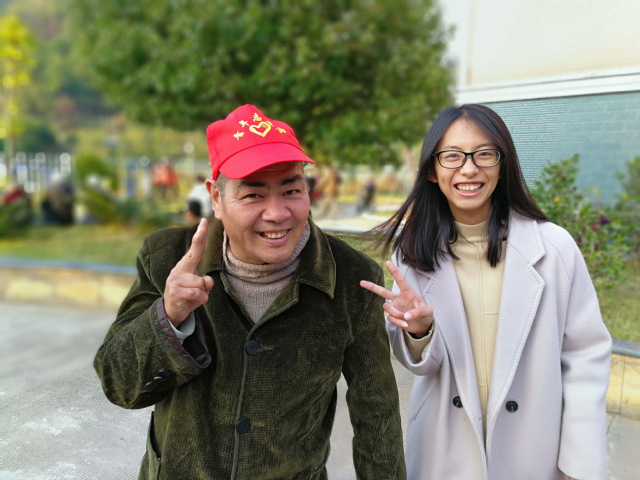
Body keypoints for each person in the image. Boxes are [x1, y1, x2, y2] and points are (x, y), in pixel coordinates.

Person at [94, 104, 406, 479]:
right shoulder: (166, 258)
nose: (277, 213)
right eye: (253, 195)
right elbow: (120, 386)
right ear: (215, 197)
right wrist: (168, 316)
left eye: (291, 190)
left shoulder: (353, 278)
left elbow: (377, 413)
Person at [360, 104, 611, 480]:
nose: (469, 168)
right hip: (444, 451)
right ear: (432, 170)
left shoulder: (554, 248)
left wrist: (580, 465)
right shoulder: (413, 253)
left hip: (533, 450)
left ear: (502, 164)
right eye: (452, 156)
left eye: (484, 154)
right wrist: (419, 332)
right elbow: (422, 365)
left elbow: (585, 358)